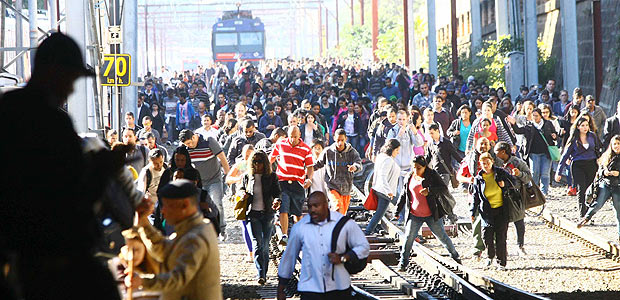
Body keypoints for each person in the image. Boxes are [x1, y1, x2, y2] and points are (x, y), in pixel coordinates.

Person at [0, 32, 126, 300]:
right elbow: (73, 197)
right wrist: (103, 167)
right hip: (56, 258)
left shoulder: (7, 110)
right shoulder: (54, 123)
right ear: (54, 71)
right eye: (70, 78)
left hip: (18, 256)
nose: (71, 89)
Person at [125, 180, 222, 300]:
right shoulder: (196, 228)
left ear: (185, 205)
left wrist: (143, 282)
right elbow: (164, 250)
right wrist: (143, 222)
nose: (163, 211)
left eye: (167, 206)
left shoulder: (195, 237)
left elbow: (178, 278)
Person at [277, 191, 370, 300]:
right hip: (310, 288)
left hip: (338, 288)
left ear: (326, 205)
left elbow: (363, 247)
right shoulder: (300, 228)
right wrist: (281, 287)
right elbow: (289, 256)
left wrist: (344, 258)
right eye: (310, 206)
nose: (312, 209)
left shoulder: (344, 223)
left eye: (316, 206)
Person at [396, 156, 461, 270]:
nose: (416, 170)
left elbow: (443, 188)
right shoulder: (410, 176)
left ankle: (455, 257)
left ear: (425, 167)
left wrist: (429, 191)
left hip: (431, 214)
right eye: (414, 167)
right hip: (414, 214)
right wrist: (397, 210)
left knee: (442, 237)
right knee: (408, 238)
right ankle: (403, 262)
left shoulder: (432, 175)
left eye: (419, 168)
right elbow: (403, 194)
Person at [238, 151, 281, 284]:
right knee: (257, 244)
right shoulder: (247, 176)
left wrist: (277, 200)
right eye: (255, 162)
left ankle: (264, 272)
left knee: (265, 245)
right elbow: (240, 189)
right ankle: (260, 274)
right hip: (252, 214)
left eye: (260, 162)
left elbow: (277, 193)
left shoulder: (272, 177)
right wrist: (242, 193)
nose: (257, 165)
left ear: (265, 163)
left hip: (267, 214)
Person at [179, 129, 231, 238]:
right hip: (199, 182)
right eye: (186, 144)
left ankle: (221, 229)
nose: (189, 146)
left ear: (194, 137)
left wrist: (228, 175)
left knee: (217, 203)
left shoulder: (209, 141)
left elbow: (222, 157)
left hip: (214, 179)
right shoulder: (184, 148)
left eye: (189, 143)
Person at [269, 126, 314, 245]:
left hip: (297, 183)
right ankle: (284, 235)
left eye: (295, 137)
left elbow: (310, 167)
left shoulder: (306, 149)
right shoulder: (281, 144)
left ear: (300, 136)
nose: (293, 139)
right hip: (282, 182)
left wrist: (309, 179)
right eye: (291, 137)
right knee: (283, 208)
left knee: (297, 212)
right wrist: (268, 175)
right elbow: (271, 159)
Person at [471, 153, 514, 269]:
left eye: (488, 163)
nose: (486, 165)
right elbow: (475, 196)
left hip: (501, 210)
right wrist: (472, 212)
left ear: (492, 162)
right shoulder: (478, 178)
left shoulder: (500, 172)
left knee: (501, 238)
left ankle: (501, 262)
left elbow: (513, 183)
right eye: (483, 163)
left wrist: (504, 185)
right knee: (487, 236)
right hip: (486, 212)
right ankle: (490, 256)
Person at [555, 117, 603, 217]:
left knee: (591, 189)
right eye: (582, 125)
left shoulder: (592, 136)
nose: (585, 127)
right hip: (578, 165)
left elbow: (598, 148)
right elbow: (565, 155)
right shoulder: (574, 139)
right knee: (581, 189)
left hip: (591, 164)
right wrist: (558, 172)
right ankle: (582, 214)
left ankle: (589, 213)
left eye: (587, 125)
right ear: (578, 127)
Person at [578, 135, 620, 242]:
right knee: (598, 203)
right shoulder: (607, 156)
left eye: (618, 144)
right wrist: (604, 172)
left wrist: (618, 174)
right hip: (606, 184)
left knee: (618, 211)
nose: (616, 146)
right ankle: (586, 218)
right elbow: (600, 170)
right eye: (614, 144)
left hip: (618, 187)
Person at [494, 142, 532, 256]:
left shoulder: (517, 162)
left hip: (515, 195)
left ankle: (520, 245)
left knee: (519, 221)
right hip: (499, 196)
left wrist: (520, 174)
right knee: (501, 224)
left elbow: (528, 177)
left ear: (503, 152)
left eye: (497, 153)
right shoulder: (495, 163)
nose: (495, 155)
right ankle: (502, 247)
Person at [314, 129, 363, 215]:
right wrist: (305, 170)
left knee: (342, 213)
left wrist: (354, 167)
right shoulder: (328, 152)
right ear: (334, 138)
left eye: (342, 140)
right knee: (337, 206)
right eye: (337, 140)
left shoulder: (351, 152)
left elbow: (358, 163)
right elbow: (317, 164)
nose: (340, 143)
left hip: (346, 187)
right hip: (332, 185)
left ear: (346, 139)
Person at [511, 108, 557, 194]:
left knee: (545, 173)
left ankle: (544, 192)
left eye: (536, 116)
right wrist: (513, 123)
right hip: (533, 153)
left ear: (540, 116)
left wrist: (554, 135)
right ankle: (535, 190)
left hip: (546, 153)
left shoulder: (548, 124)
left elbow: (554, 133)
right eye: (533, 116)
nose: (535, 118)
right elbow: (518, 131)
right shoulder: (529, 126)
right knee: (534, 172)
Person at [366, 139, 401, 234]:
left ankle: (368, 231)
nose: (398, 153)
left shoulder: (381, 156)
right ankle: (407, 226)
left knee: (379, 213)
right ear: (392, 149)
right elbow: (383, 176)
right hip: (386, 191)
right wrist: (388, 191)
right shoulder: (388, 160)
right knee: (402, 204)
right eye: (397, 150)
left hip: (380, 189)